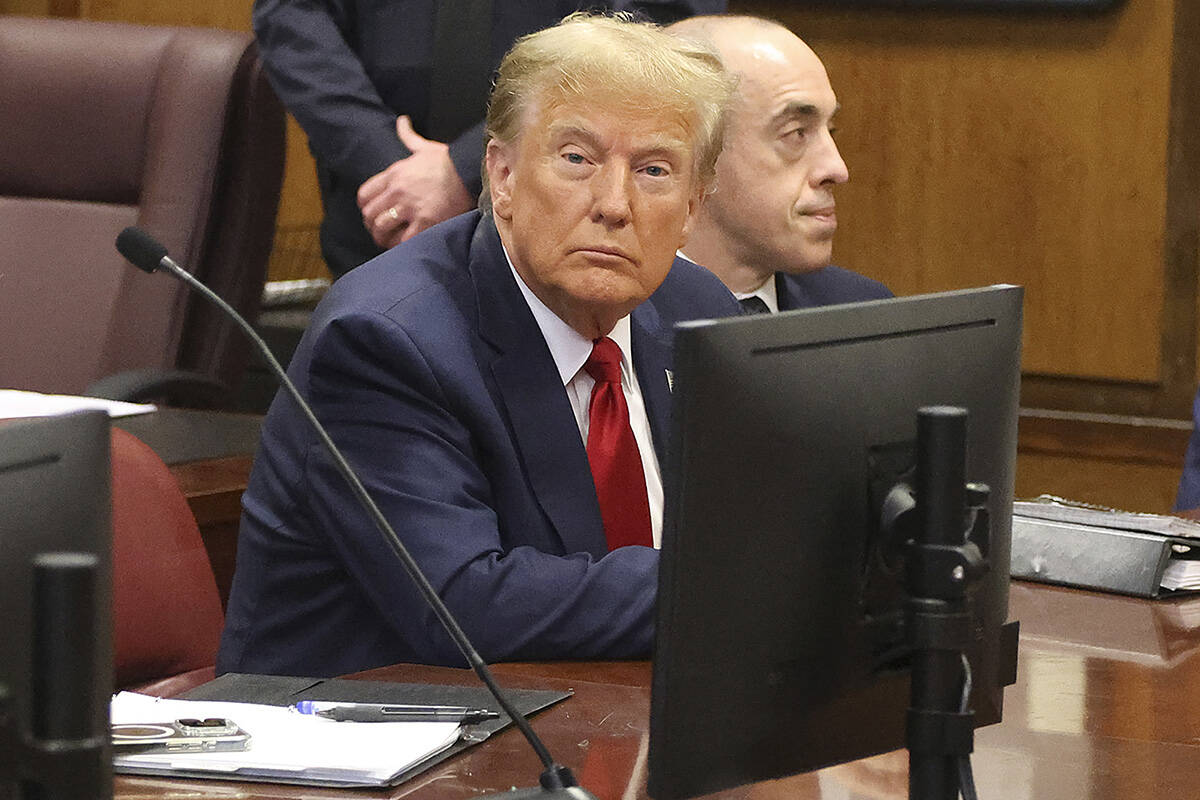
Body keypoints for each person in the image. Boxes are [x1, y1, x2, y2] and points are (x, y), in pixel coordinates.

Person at [216, 13, 739, 677]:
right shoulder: (385, 341)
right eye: (576, 159)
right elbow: (465, 604)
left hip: (605, 719)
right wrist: (738, 586)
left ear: (694, 206)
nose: (614, 203)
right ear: (503, 175)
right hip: (363, 747)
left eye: (655, 170)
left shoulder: (701, 316)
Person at [253, 0, 726, 277]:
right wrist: (385, 164)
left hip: (579, 201)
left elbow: (658, 21)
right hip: (380, 209)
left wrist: (467, 166)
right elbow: (295, 17)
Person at [668, 15, 891, 312]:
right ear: (694, 151)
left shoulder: (864, 312)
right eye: (797, 133)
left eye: (830, 131)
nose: (837, 169)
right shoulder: (616, 328)